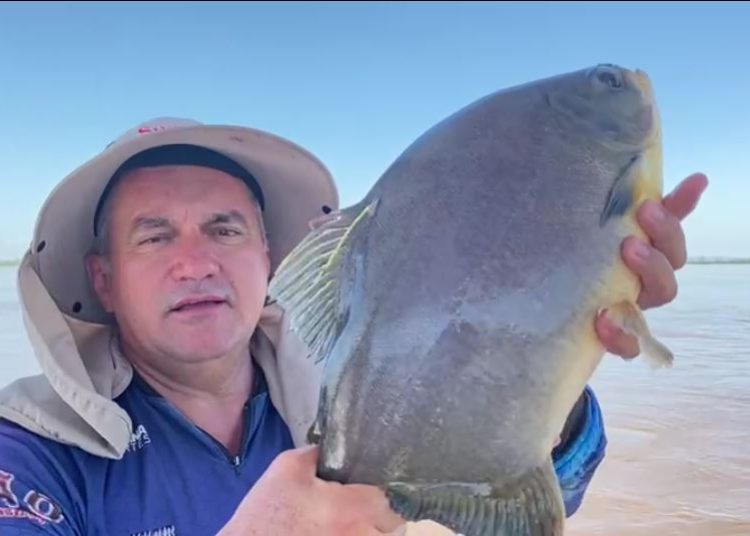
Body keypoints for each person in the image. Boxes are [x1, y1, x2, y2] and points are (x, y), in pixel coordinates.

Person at [0, 117, 707, 535]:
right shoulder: (31, 452)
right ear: (104, 279)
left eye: (224, 229)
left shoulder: (351, 388)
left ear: (269, 257)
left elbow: (521, 502)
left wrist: (551, 341)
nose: (196, 264)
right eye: (154, 238)